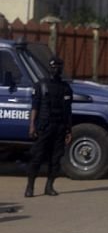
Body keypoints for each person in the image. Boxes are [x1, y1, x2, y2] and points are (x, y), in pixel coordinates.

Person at [25, 57, 73, 197]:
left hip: (60, 127)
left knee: (56, 159)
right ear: (49, 68)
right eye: (53, 66)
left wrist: (69, 129)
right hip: (44, 127)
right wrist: (32, 125)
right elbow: (35, 106)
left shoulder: (65, 88)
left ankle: (49, 187)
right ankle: (30, 187)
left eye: (59, 66)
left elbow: (68, 110)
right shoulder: (41, 85)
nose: (56, 69)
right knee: (37, 157)